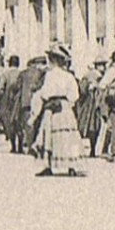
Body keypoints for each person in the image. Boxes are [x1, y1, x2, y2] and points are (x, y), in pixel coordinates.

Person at [30, 47, 86, 177]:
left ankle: (48, 165)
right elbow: (75, 95)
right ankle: (72, 166)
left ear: (53, 60)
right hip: (65, 107)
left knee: (50, 136)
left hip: (52, 108)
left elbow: (45, 93)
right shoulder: (69, 76)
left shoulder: (49, 75)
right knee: (68, 136)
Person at [18, 53, 48, 157]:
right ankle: (38, 145)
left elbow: (17, 87)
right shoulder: (43, 74)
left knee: (28, 124)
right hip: (39, 102)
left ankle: (30, 146)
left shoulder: (23, 73)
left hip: (25, 102)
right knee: (38, 123)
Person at [77, 56, 107, 157]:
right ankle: (87, 149)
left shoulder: (102, 76)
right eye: (101, 65)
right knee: (90, 126)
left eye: (103, 65)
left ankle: (92, 149)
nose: (103, 67)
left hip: (94, 105)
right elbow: (82, 89)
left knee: (94, 127)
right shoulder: (92, 75)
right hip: (89, 105)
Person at [0, 54, 24, 154]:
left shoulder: (5, 74)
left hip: (8, 101)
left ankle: (13, 146)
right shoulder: (21, 74)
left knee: (10, 123)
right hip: (19, 101)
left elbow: (0, 88)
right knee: (19, 123)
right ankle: (20, 146)